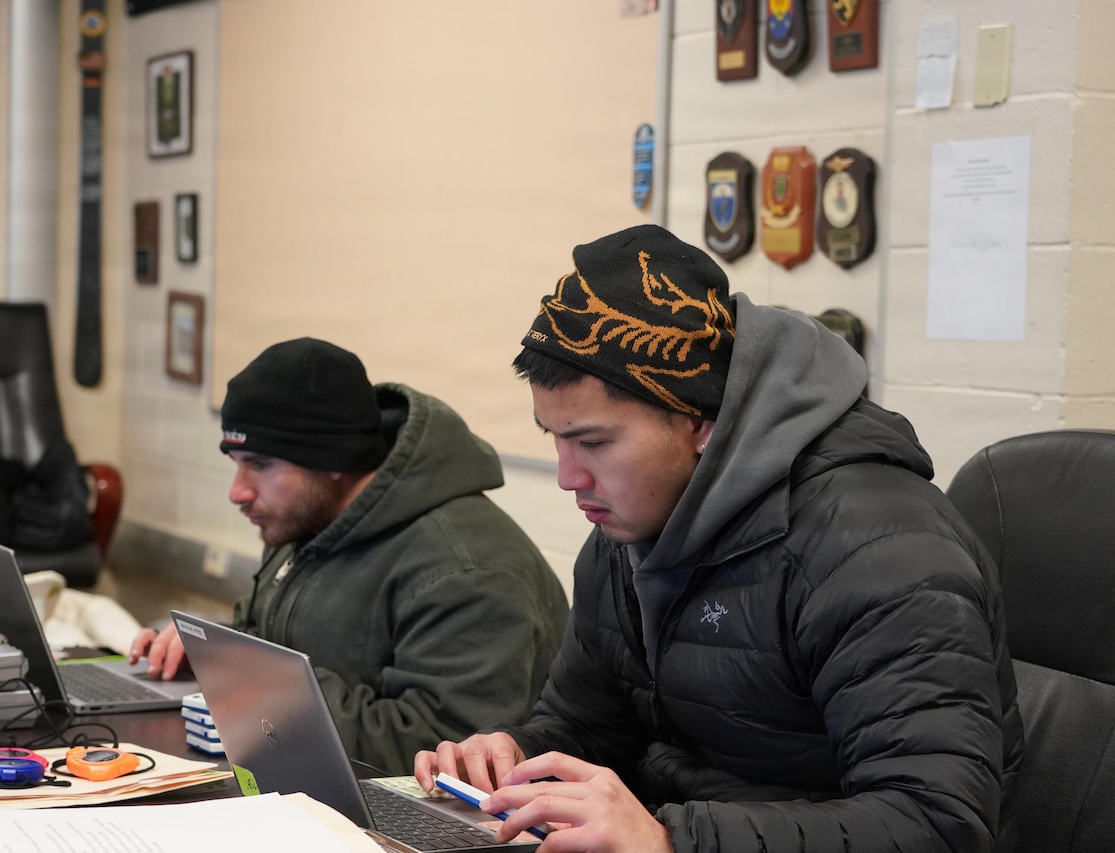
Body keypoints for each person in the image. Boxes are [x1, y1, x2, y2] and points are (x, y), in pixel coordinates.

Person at [414, 225, 1024, 852]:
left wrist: (670, 839)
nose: (571, 478)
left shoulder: (879, 550)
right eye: (554, 438)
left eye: (593, 442)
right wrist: (515, 759)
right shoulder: (628, 529)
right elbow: (590, 725)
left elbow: (938, 825)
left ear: (700, 420)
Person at [131, 337, 569, 776]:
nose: (237, 491)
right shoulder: (306, 517)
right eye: (236, 461)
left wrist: (253, 678)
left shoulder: (466, 570)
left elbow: (436, 754)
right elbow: (264, 632)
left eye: (260, 464)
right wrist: (208, 650)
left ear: (333, 459)